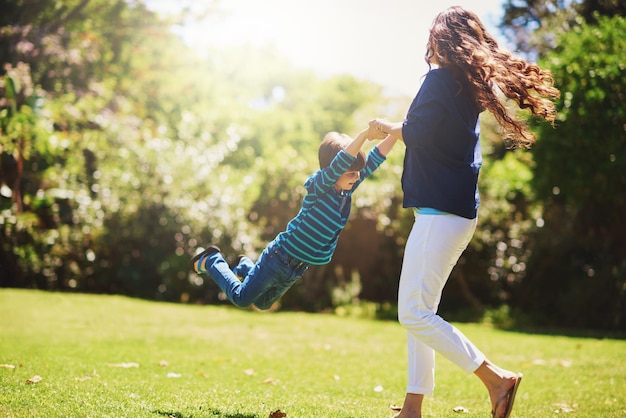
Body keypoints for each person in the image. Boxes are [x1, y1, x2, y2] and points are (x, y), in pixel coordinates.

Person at [370, 6, 560, 418]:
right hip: (452, 215)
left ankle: (496, 380)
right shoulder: (465, 87)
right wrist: (399, 128)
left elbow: (419, 132)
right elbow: (428, 131)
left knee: (413, 313)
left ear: (441, 40)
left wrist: (395, 128)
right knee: (421, 312)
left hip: (440, 214)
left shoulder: (438, 81)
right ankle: (412, 409)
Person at [192, 127, 399, 310]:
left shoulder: (346, 191)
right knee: (241, 298)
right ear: (333, 170)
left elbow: (375, 157)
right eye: (350, 173)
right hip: (279, 257)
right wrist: (364, 135)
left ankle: (244, 266)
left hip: (298, 267)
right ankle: (212, 260)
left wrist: (397, 132)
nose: (356, 178)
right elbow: (342, 162)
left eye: (357, 173)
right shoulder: (321, 186)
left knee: (262, 303)